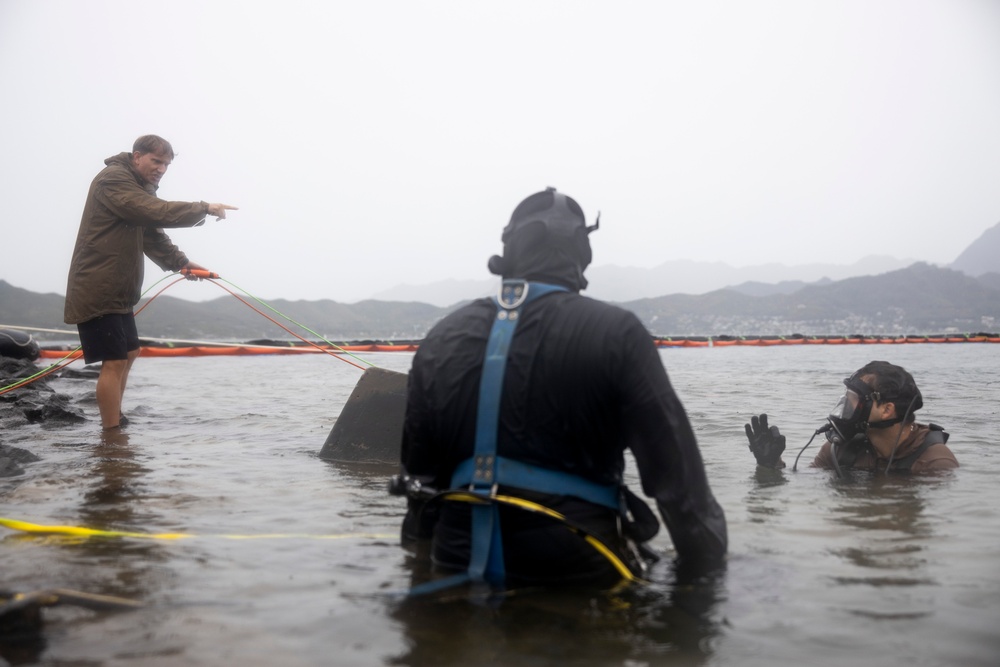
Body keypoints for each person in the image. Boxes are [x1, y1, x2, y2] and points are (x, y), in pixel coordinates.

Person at [394, 187, 727, 592]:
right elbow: (684, 497)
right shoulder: (617, 333)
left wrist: (417, 576)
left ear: (509, 251)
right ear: (581, 254)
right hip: (579, 575)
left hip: (454, 570)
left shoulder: (441, 338)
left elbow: (419, 490)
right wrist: (708, 598)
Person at [64, 135, 237, 432]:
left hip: (118, 290)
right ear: (137, 157)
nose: (161, 169)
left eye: (166, 164)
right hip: (97, 287)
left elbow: (151, 233)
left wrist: (182, 263)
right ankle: (111, 434)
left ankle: (116, 419)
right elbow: (152, 211)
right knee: (115, 360)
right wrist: (203, 207)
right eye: (156, 161)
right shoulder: (114, 181)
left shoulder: (137, 187)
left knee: (130, 353)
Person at [745, 360, 958, 474]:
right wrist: (771, 464)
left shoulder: (935, 463)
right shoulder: (838, 450)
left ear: (886, 409)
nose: (846, 407)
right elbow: (805, 486)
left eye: (855, 399)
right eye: (846, 398)